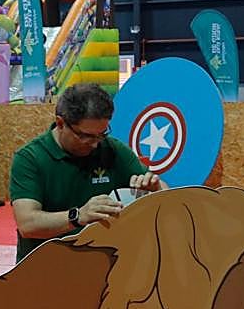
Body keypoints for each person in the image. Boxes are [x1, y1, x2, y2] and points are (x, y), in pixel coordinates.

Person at [9, 83, 164, 262]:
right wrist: (79, 216)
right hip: (44, 267)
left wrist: (155, 187)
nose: (95, 143)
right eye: (86, 136)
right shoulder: (30, 158)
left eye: (102, 134)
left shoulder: (112, 149)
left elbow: (164, 190)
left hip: (102, 265)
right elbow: (28, 224)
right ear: (60, 123)